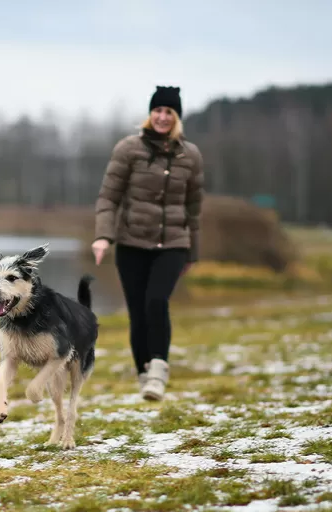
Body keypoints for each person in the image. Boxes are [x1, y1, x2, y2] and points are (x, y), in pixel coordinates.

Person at [91, 85, 205, 401]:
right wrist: (103, 236)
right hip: (131, 243)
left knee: (157, 301)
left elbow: (194, 206)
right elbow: (109, 197)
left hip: (173, 243)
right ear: (150, 113)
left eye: (169, 112)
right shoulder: (129, 149)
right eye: (157, 110)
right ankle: (144, 375)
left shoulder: (190, 155)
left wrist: (193, 252)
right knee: (138, 313)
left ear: (177, 117)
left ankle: (158, 370)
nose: (162, 117)